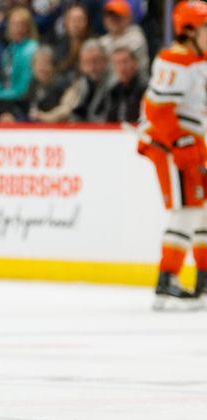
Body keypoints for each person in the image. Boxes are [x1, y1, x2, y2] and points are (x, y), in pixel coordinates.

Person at [137, 1, 207, 309]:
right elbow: (158, 110)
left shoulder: (198, 59)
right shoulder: (174, 60)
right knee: (187, 210)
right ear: (189, 31)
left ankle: (203, 279)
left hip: (192, 141)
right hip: (171, 143)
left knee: (202, 211)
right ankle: (167, 281)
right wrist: (181, 143)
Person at [32, 39, 110, 123]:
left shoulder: (114, 84)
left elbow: (66, 110)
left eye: (96, 61)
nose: (92, 67)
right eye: (87, 62)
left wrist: (44, 117)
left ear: (106, 60)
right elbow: (69, 108)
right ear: (81, 65)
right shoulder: (80, 84)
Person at [0, 6, 39, 120]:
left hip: (22, 102)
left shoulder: (32, 49)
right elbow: (3, 81)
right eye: (13, 24)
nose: (17, 28)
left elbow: (23, 90)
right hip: (7, 97)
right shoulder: (10, 49)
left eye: (21, 24)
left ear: (28, 27)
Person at [99, 0, 149, 76]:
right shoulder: (103, 40)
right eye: (109, 16)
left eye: (117, 16)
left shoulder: (136, 36)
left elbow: (119, 62)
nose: (113, 19)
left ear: (128, 18)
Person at [105, 47, 146, 123]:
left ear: (135, 63)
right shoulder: (113, 91)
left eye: (125, 62)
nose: (122, 68)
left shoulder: (145, 89)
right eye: (117, 63)